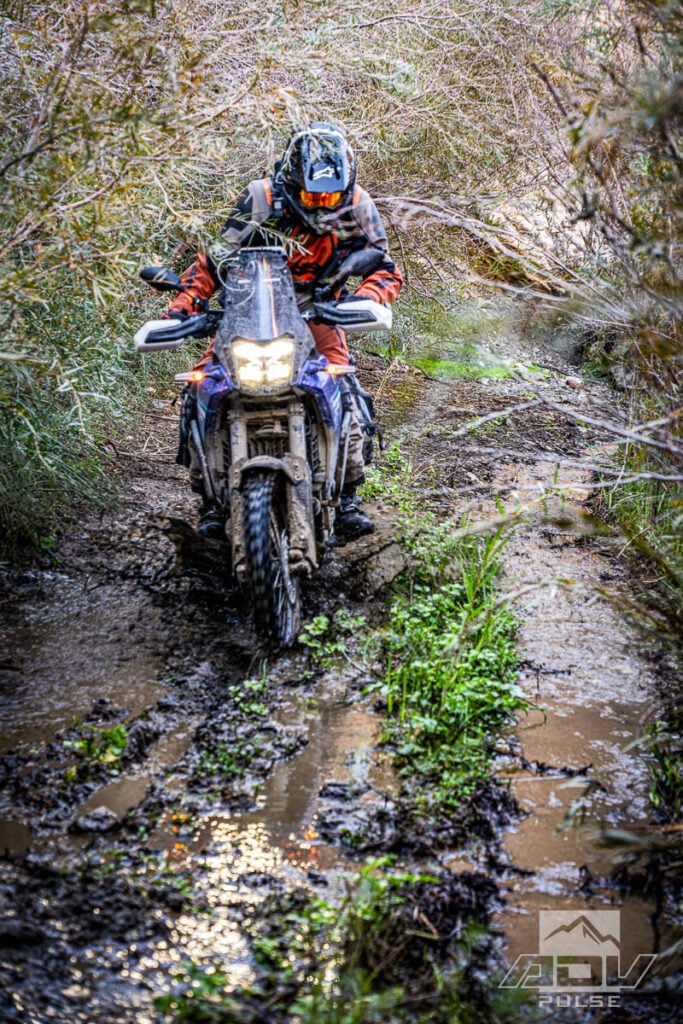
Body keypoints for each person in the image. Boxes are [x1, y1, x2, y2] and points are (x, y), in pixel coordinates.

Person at [162, 123, 403, 539]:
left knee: (342, 385)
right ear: (292, 182)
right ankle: (211, 499)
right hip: (247, 309)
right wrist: (183, 307)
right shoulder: (262, 198)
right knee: (203, 385)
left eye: (330, 197)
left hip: (317, 310)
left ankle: (347, 496)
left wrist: (365, 300)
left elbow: (382, 266)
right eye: (312, 197)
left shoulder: (355, 206)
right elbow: (214, 259)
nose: (322, 206)